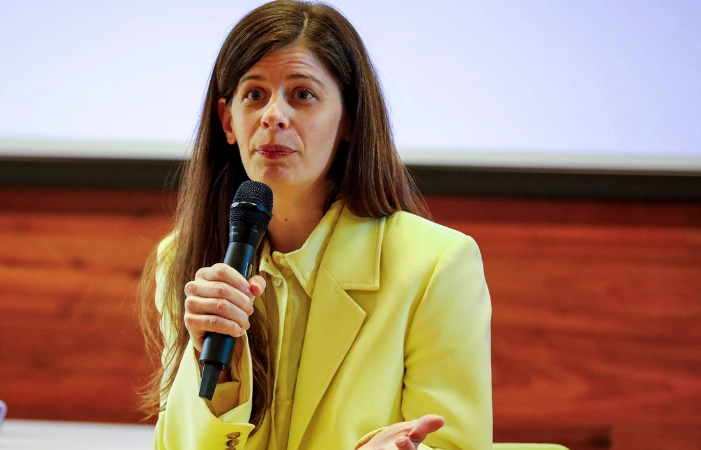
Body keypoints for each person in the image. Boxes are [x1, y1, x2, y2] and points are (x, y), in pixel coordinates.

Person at [137, 1, 492, 449]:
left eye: (302, 94)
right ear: (228, 121)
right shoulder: (182, 260)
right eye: (255, 95)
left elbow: (450, 443)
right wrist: (216, 370)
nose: (273, 116)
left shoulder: (436, 264)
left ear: (350, 119)